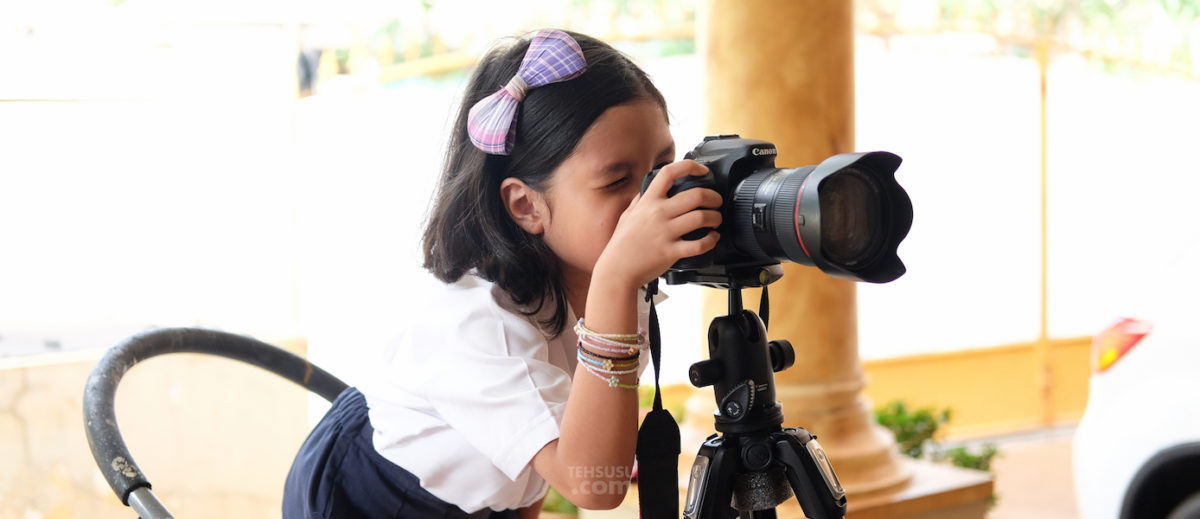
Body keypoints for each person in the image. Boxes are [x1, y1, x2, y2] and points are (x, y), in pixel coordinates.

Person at [283, 28, 722, 518]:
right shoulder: (477, 326)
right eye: (618, 180)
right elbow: (595, 486)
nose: (650, 198)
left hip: (485, 500)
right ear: (525, 205)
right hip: (369, 498)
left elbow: (537, 464)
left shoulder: (607, 284)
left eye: (662, 168)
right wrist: (615, 282)